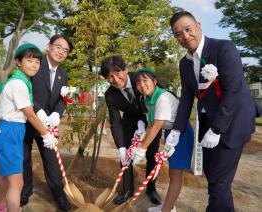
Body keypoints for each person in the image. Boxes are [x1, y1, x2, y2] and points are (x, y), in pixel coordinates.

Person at [165, 11, 260, 212]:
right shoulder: (185, 63)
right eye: (178, 34)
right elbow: (186, 100)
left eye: (188, 29)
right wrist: (176, 130)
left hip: (233, 122)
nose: (185, 36)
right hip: (208, 122)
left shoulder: (224, 48)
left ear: (198, 25)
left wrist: (217, 129)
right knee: (212, 175)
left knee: (218, 180)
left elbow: (233, 90)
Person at [0, 43, 58, 212]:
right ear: (18, 62)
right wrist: (46, 134)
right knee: (17, 182)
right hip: (10, 132)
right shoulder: (18, 84)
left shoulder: (20, 81)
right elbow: (30, 115)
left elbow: (30, 110)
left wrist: (42, 117)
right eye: (30, 60)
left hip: (7, 131)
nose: (35, 64)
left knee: (7, 177)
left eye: (37, 61)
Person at [100, 55, 162, 205]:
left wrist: (145, 122)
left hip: (150, 121)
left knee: (152, 154)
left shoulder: (141, 78)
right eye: (110, 77)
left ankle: (151, 188)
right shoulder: (110, 94)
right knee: (125, 157)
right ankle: (127, 189)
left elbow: (158, 96)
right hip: (128, 123)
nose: (115, 79)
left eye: (118, 73)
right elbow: (115, 121)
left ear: (125, 70)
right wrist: (121, 147)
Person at [20, 35, 73, 211]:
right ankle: (25, 190)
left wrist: (57, 113)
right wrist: (38, 110)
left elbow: (64, 98)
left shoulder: (63, 74)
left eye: (65, 50)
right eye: (58, 47)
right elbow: (26, 90)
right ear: (49, 46)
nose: (61, 52)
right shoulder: (35, 65)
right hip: (27, 121)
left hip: (48, 126)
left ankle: (59, 195)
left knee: (52, 161)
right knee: (24, 158)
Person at [132, 68, 194, 212]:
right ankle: (168, 207)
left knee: (176, 173)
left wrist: (142, 149)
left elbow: (157, 126)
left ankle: (166, 210)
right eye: (138, 82)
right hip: (170, 133)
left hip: (181, 134)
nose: (141, 85)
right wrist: (140, 141)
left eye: (145, 80)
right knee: (174, 173)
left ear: (154, 81)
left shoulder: (163, 98)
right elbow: (151, 124)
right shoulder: (148, 98)